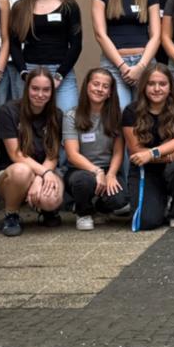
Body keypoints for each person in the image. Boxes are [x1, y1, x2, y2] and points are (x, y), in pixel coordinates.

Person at [124, 62, 174, 230]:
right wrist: (170, 156)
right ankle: (160, 201)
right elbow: (136, 153)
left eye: (162, 84)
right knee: (146, 222)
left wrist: (151, 154)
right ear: (143, 86)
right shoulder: (131, 111)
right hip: (146, 171)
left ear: (170, 86)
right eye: (151, 84)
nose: (157, 89)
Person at [0, 67, 68, 236]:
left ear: (52, 92)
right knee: (22, 171)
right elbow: (16, 154)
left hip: (44, 170)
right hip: (11, 174)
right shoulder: (9, 111)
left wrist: (41, 178)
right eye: (35, 88)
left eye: (46, 90)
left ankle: (46, 210)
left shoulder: (56, 115)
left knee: (50, 200)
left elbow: (53, 154)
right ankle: (11, 215)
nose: (40, 94)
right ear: (27, 88)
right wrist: (43, 174)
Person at [89, 0, 159, 114]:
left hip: (144, 63)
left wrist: (141, 66)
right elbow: (100, 34)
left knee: (146, 113)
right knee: (120, 112)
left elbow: (156, 35)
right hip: (114, 65)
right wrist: (122, 66)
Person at [11, 0, 83, 113]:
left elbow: (76, 45)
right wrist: (24, 74)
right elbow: (14, 45)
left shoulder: (69, 6)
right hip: (29, 74)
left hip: (61, 75)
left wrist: (59, 75)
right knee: (29, 124)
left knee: (67, 120)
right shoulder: (20, 7)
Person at [63, 67, 126, 231]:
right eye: (96, 84)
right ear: (87, 86)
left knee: (120, 200)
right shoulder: (72, 116)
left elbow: (118, 151)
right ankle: (83, 213)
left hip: (108, 169)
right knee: (83, 182)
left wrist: (111, 174)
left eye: (105, 86)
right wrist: (97, 172)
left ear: (110, 92)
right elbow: (72, 154)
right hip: (80, 170)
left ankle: (98, 208)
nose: (99, 89)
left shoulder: (116, 116)